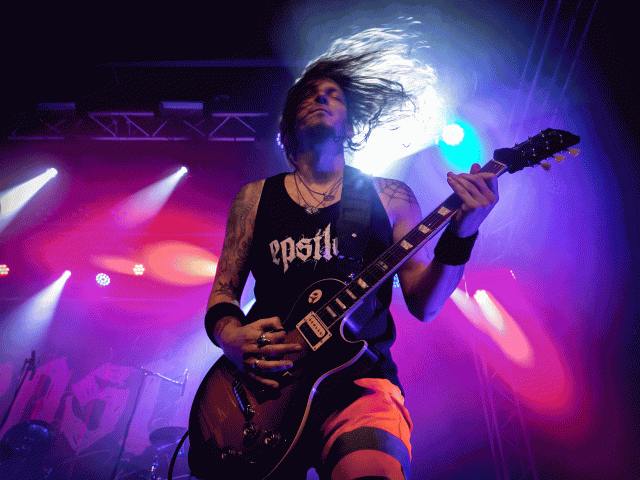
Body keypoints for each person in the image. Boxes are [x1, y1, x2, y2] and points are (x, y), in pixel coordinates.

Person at [203, 47, 498, 480]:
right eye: (310, 92)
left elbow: (425, 304)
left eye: (334, 94)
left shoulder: (390, 196)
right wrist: (230, 337)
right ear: (289, 122)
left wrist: (461, 235)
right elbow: (224, 291)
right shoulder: (254, 198)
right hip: (266, 388)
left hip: (359, 382)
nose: (321, 97)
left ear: (351, 123)